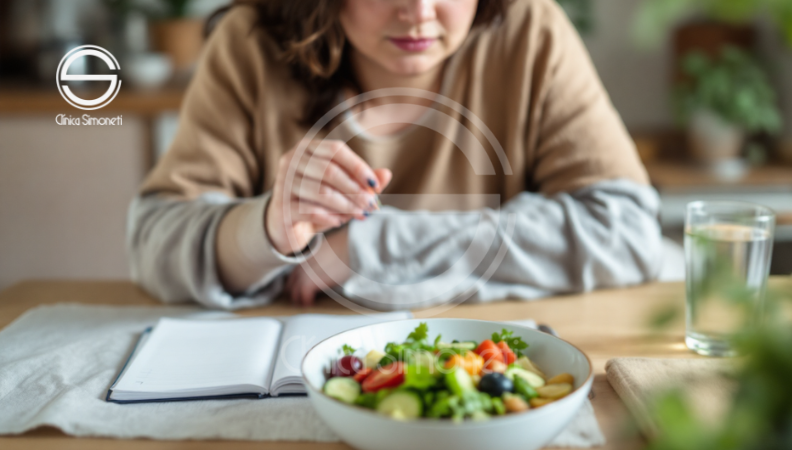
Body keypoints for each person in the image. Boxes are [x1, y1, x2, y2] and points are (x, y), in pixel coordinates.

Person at [127, 0, 663, 311]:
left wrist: (378, 243)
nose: (419, 12)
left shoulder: (529, 30)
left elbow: (627, 231)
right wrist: (266, 227)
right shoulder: (249, 42)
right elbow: (154, 240)